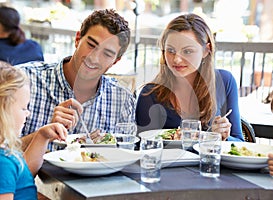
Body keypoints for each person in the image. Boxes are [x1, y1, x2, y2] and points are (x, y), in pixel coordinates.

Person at [16, 9, 135, 151]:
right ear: (78, 39)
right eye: (91, 45)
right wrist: (43, 135)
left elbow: (125, 158)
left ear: (115, 61)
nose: (94, 57)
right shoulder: (24, 80)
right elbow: (3, 152)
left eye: (107, 54)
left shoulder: (122, 100)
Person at [135, 13, 244, 141]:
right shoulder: (150, 93)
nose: (177, 59)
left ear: (206, 50)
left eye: (187, 51)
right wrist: (206, 138)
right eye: (170, 50)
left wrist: (220, 137)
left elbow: (239, 141)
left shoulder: (225, 81)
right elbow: (142, 146)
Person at [0, 61, 68, 200]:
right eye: (24, 108)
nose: (28, 113)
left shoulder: (5, 154)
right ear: (3, 109)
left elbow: (23, 174)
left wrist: (43, 136)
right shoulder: (3, 163)